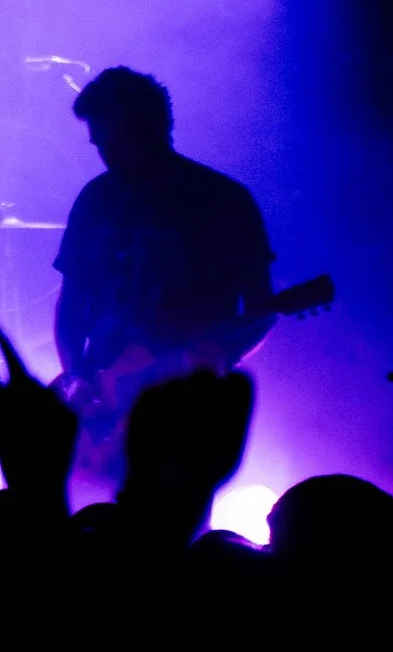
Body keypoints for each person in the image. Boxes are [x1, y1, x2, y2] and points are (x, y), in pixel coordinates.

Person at [51, 68, 275, 473]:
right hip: (102, 403)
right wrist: (75, 377)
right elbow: (71, 304)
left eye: (114, 141)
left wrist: (217, 355)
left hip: (187, 407)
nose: (105, 154)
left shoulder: (222, 202)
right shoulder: (96, 199)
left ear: (150, 128)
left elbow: (263, 310)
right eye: (98, 143)